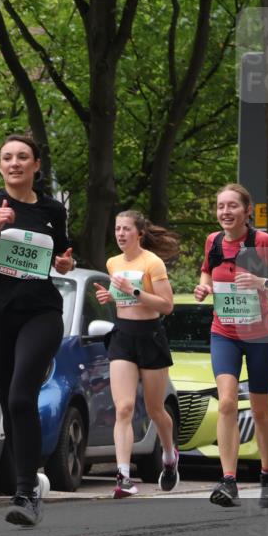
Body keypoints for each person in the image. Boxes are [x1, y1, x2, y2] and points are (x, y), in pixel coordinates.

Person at [0, 135, 75, 526]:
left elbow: (61, 257)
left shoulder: (52, 210)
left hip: (40, 313)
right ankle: (28, 482)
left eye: (23, 157)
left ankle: (25, 493)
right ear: (0, 165)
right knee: (11, 403)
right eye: (7, 157)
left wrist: (64, 264)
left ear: (35, 165)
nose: (15, 163)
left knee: (22, 397)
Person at [193, 183, 268, 507]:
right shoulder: (213, 241)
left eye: (232, 206)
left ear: (247, 210)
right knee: (227, 402)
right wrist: (203, 288)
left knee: (259, 411)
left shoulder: (261, 242)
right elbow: (206, 273)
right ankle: (228, 481)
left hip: (260, 337)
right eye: (220, 206)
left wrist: (260, 282)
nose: (225, 212)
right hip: (224, 332)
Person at [93, 210, 179, 498]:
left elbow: (167, 306)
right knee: (124, 408)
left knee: (155, 409)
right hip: (123, 336)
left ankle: (169, 455)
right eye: (117, 228)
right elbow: (122, 298)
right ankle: (123, 477)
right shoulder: (113, 262)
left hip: (150, 336)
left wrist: (134, 291)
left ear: (139, 233)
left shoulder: (152, 263)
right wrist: (110, 296)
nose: (120, 234)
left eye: (126, 229)